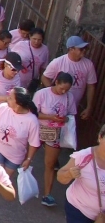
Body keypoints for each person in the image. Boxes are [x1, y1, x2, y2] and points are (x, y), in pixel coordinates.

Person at [0, 87, 41, 189]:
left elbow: (33, 143)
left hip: (15, 157)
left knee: (0, 184)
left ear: (18, 104)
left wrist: (28, 159)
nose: (6, 99)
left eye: (10, 98)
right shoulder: (2, 108)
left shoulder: (32, 121)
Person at [35, 73, 77, 207]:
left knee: (50, 164)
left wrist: (65, 119)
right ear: (56, 82)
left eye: (66, 89)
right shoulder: (42, 94)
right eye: (61, 88)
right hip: (37, 129)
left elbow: (71, 114)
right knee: (24, 156)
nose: (63, 92)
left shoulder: (69, 97)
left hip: (55, 133)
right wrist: (50, 117)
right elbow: (33, 112)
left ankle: (47, 194)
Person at [42, 35, 97, 122]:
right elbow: (45, 77)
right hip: (56, 104)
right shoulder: (58, 62)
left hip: (74, 106)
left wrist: (89, 107)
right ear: (71, 49)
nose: (84, 51)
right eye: (81, 49)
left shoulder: (88, 64)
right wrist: (53, 92)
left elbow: (91, 86)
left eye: (85, 48)